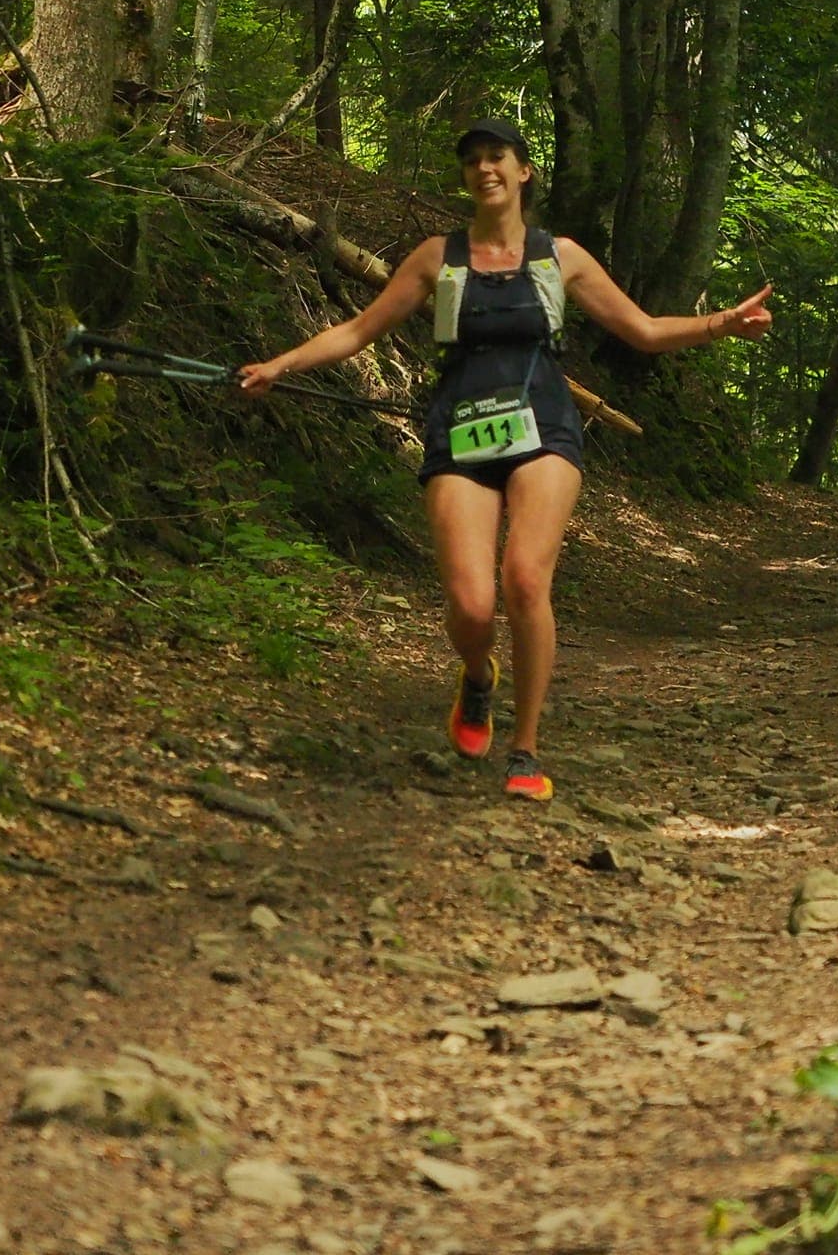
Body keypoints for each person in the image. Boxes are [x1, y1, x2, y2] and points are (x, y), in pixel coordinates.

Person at [238, 119, 772, 801]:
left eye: (498, 157)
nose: (484, 168)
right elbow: (357, 329)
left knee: (525, 579)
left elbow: (640, 329)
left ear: (524, 172)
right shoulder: (438, 257)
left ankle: (526, 749)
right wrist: (279, 365)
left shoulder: (561, 257)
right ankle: (479, 677)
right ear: (466, 178)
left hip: (544, 425)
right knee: (470, 604)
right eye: (472, 161)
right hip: (459, 429)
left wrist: (719, 323)